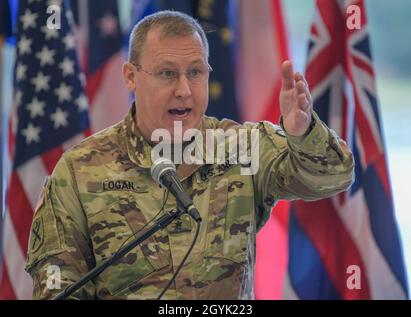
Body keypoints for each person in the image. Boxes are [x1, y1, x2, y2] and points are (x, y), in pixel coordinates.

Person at [25, 10, 354, 300]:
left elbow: (334, 176)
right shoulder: (79, 171)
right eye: (167, 73)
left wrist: (304, 133)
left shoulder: (244, 148)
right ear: (130, 76)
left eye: (196, 72)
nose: (184, 89)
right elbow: (57, 286)